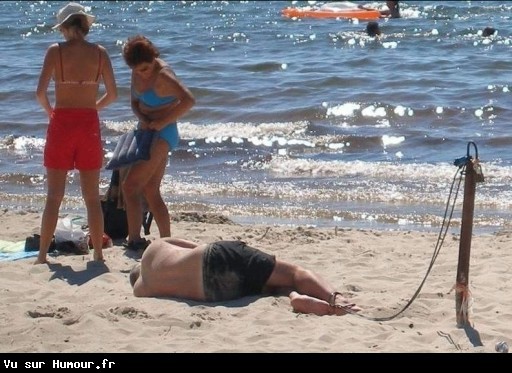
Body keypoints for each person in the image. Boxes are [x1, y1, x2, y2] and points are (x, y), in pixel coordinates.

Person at [35, 2, 118, 264]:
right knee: (92, 197)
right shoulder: (100, 53)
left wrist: (51, 112)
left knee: (54, 196)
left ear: (65, 27)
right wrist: (93, 107)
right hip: (88, 124)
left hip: (62, 122)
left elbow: (40, 93)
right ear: (83, 25)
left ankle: (42, 256)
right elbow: (113, 94)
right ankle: (98, 254)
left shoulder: (55, 52)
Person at [129, 238, 362, 316]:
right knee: (294, 272)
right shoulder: (152, 249)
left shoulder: (142, 291)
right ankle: (334, 298)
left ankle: (293, 296)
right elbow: (198, 246)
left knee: (266, 287)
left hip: (215, 292)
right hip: (213, 257)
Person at [121, 36, 196, 251]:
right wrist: (144, 119)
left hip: (164, 133)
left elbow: (189, 100)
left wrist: (161, 121)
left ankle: (134, 240)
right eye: (137, 70)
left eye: (145, 69)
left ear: (153, 58)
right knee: (151, 190)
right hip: (146, 130)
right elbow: (134, 103)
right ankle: (166, 242)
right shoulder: (136, 70)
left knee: (130, 186)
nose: (141, 73)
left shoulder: (164, 75)